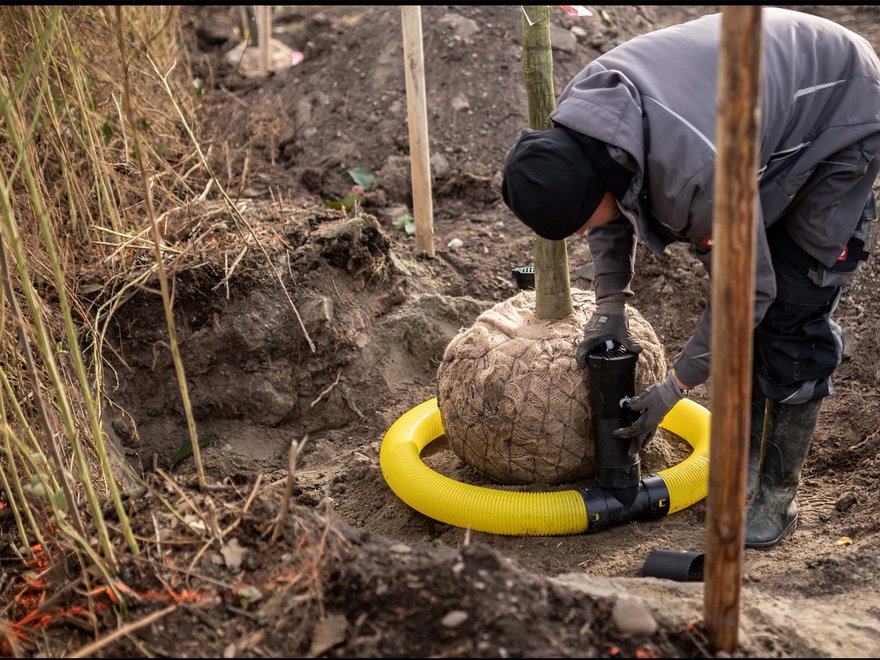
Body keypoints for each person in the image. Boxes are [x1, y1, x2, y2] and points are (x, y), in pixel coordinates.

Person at [501, 7, 880, 549]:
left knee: (793, 306)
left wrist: (674, 388)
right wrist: (610, 302)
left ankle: (777, 495)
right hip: (751, 106)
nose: (587, 229)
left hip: (839, 100)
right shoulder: (583, 128)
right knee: (752, 307)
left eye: (581, 222)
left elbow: (746, 291)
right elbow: (611, 205)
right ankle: (745, 465)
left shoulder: (695, 175)